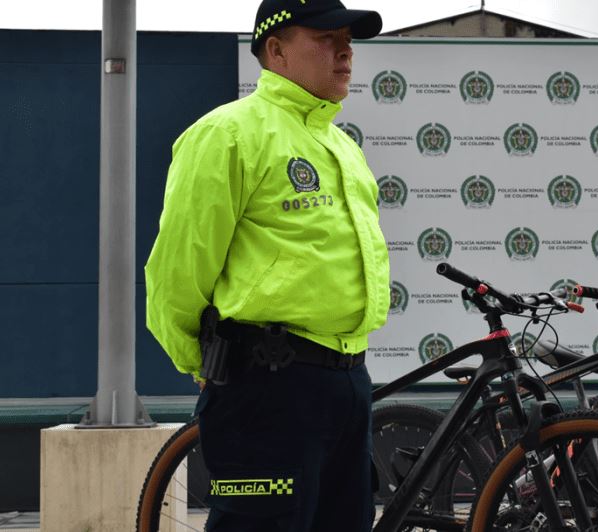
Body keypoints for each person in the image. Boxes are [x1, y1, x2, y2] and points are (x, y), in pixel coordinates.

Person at [144, 0, 388, 529]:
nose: (345, 52)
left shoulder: (341, 146)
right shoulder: (228, 133)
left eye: (348, 39)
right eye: (325, 38)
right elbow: (177, 271)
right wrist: (205, 365)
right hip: (265, 387)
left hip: (348, 382)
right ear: (275, 51)